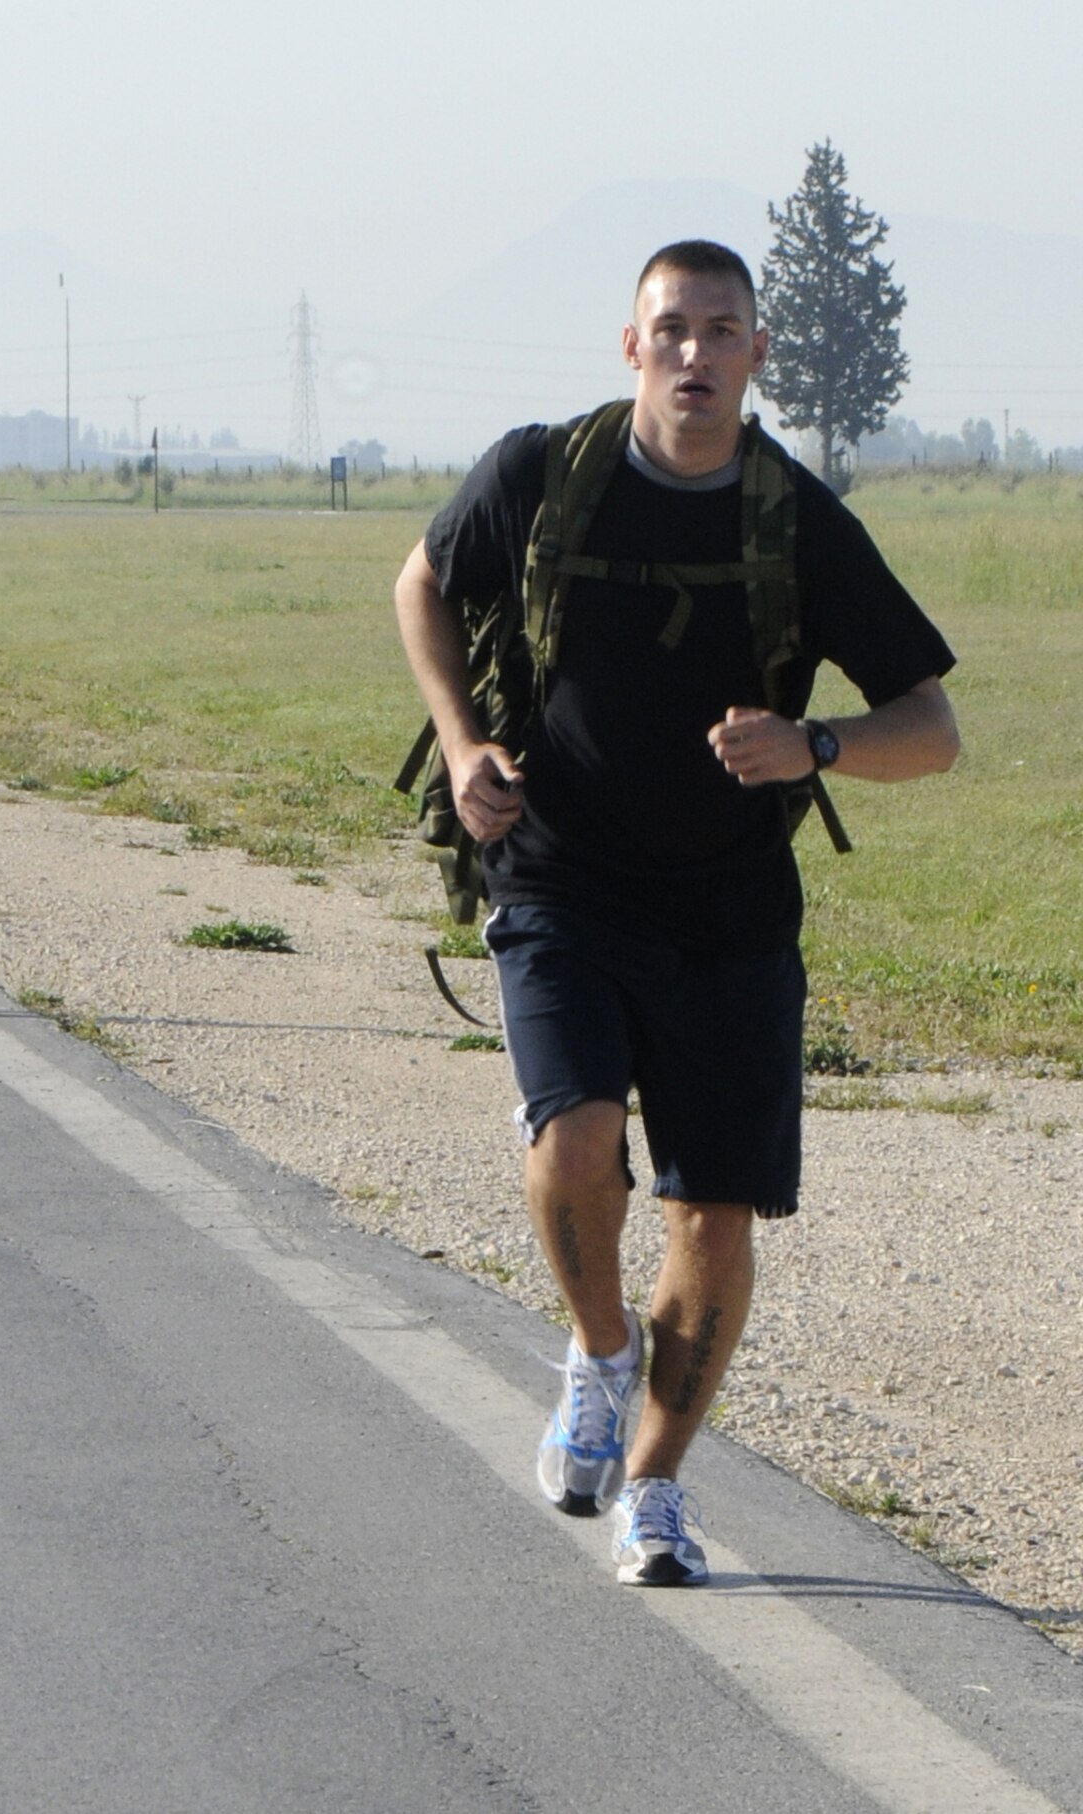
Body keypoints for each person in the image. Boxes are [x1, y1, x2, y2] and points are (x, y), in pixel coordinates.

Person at [393, 240, 959, 1587]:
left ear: (758, 355)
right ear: (631, 345)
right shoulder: (542, 472)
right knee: (575, 1133)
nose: (696, 354)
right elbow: (420, 582)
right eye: (673, 329)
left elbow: (931, 730)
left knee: (715, 1219)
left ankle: (653, 1485)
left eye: (723, 331)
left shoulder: (800, 520)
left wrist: (814, 744)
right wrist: (463, 742)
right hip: (560, 877)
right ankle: (596, 1350)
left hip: (731, 912)